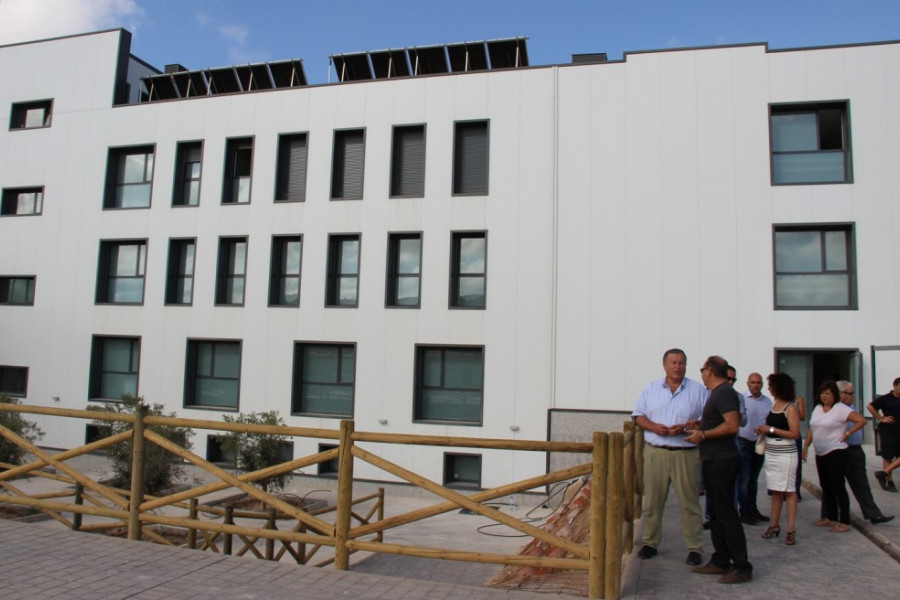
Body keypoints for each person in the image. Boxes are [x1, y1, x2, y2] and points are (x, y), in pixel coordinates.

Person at [632, 348, 708, 567]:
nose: (678, 367)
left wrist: (685, 427)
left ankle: (694, 547)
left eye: (682, 363)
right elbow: (638, 416)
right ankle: (650, 542)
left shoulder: (698, 390)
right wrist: (654, 426)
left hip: (686, 452)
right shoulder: (651, 388)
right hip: (656, 452)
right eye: (673, 363)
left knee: (690, 503)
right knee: (652, 502)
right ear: (664, 365)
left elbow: (707, 419)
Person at [685, 356, 752, 585]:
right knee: (716, 513)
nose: (701, 373)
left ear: (710, 371)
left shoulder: (724, 393)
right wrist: (701, 425)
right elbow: (721, 422)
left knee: (726, 514)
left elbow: (732, 426)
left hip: (723, 461)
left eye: (703, 369)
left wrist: (703, 434)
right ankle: (721, 559)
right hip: (714, 459)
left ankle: (741, 566)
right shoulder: (718, 394)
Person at [802, 380, 866, 532]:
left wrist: (848, 433)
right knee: (826, 485)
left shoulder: (841, 409)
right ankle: (830, 517)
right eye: (823, 393)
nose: (825, 396)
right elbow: (813, 428)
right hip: (821, 452)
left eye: (828, 393)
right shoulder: (817, 408)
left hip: (836, 451)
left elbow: (861, 421)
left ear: (834, 395)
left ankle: (844, 520)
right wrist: (806, 446)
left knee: (838, 486)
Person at [835, 380, 893, 524]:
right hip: (842, 451)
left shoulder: (851, 406)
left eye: (853, 393)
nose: (853, 396)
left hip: (856, 450)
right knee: (836, 485)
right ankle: (833, 514)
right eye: (850, 393)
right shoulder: (836, 409)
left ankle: (874, 514)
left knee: (861, 484)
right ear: (841, 394)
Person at [755, 373, 800, 545]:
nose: (769, 388)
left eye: (772, 385)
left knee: (789, 490)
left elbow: (795, 433)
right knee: (775, 490)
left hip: (786, 453)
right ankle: (774, 525)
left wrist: (771, 429)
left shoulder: (790, 408)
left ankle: (790, 529)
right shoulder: (775, 405)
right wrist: (764, 430)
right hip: (772, 452)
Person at [737, 372, 771, 524]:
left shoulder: (767, 402)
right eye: (753, 382)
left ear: (762, 384)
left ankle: (753, 509)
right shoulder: (742, 399)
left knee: (754, 479)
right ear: (747, 383)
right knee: (744, 479)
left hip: (760, 444)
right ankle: (744, 512)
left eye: (758, 382)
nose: (756, 385)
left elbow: (770, 421)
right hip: (744, 442)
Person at [868, 377, 900, 492]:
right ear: (895, 386)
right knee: (888, 456)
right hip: (888, 431)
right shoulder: (886, 398)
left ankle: (883, 473)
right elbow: (870, 406)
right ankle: (890, 481)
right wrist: (881, 418)